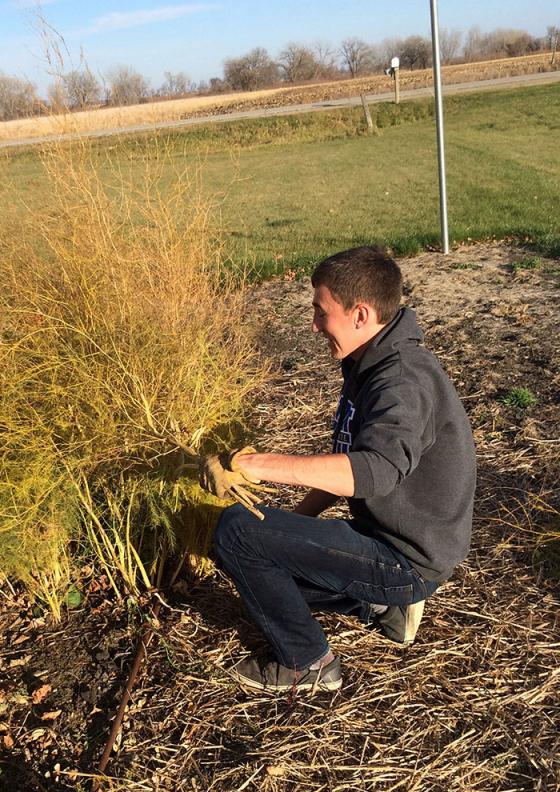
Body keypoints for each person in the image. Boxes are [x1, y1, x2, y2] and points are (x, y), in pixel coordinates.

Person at [200, 246, 475, 693]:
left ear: (360, 314)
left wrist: (252, 465)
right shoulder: (367, 362)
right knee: (253, 555)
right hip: (387, 541)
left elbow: (372, 472)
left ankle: (307, 664)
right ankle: (381, 608)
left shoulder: (401, 380)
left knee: (235, 530)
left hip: (406, 559)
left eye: (320, 311)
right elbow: (347, 460)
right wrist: (288, 529)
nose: (313, 325)